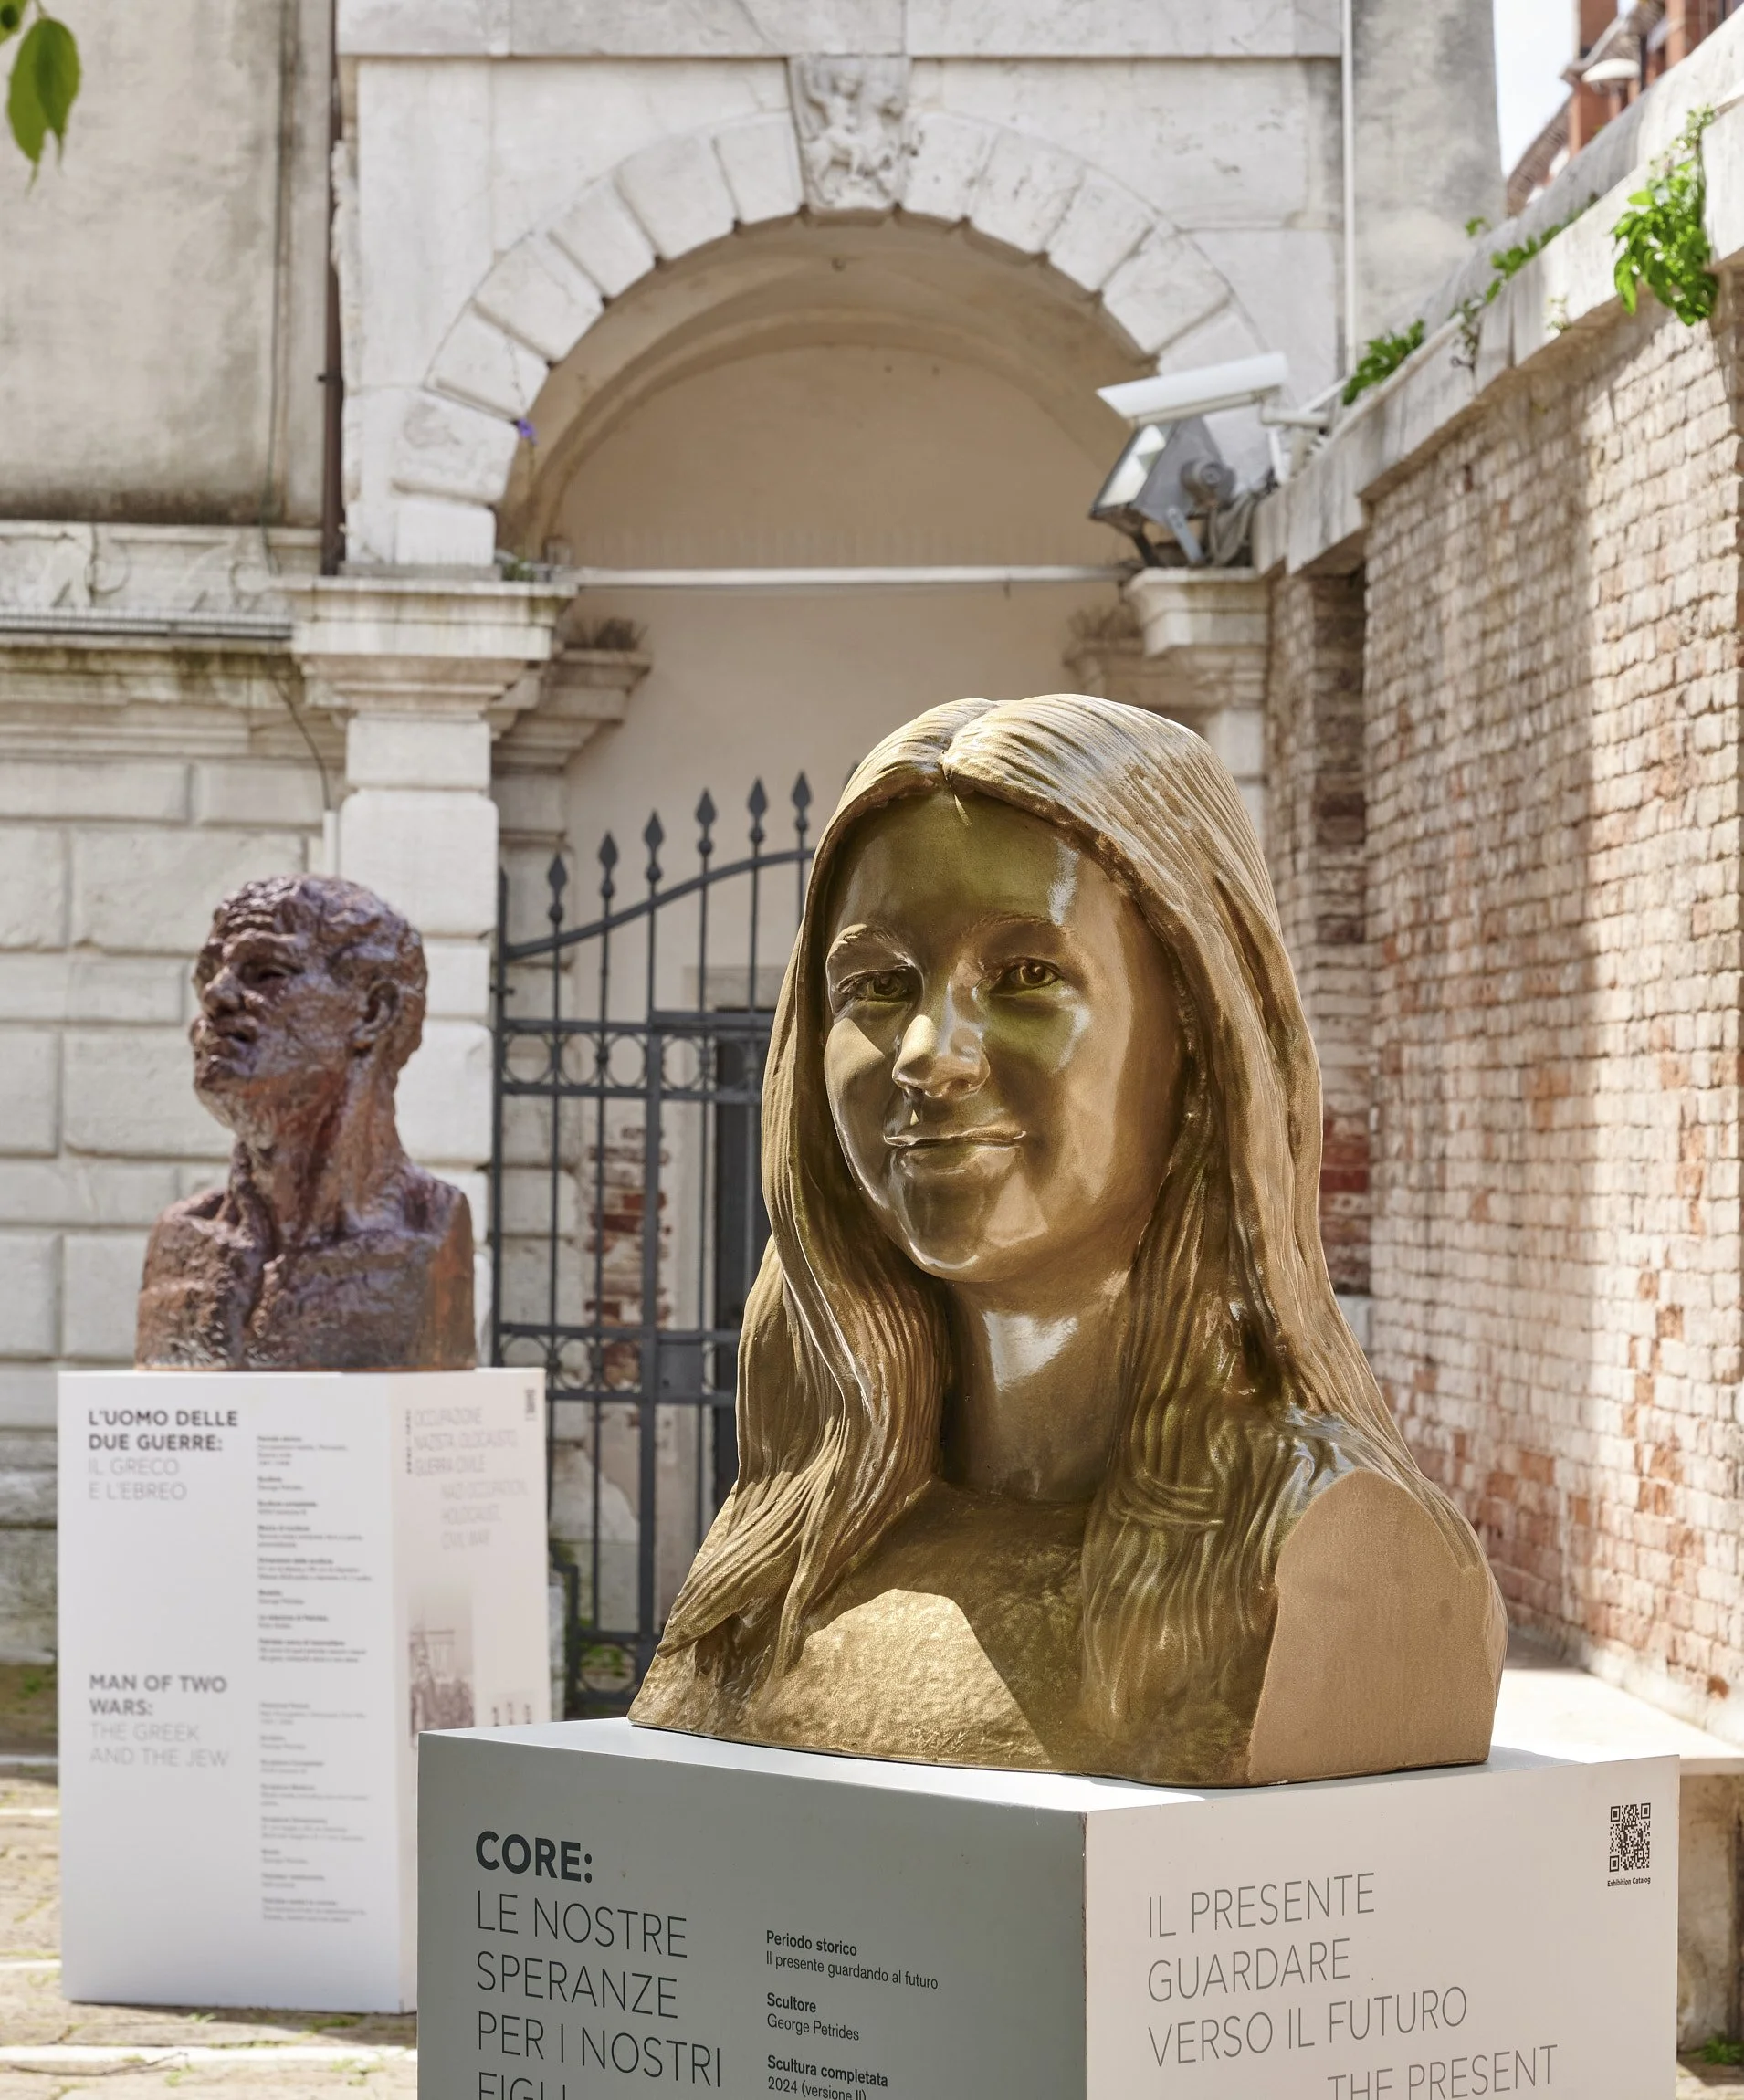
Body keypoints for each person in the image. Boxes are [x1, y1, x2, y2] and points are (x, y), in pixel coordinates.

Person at [632, 695, 1505, 1785]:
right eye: (876, 984)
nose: (926, 1052)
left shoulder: (1327, 1553)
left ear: (1196, 1033)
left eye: (1025, 976)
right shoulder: (774, 1556)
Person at [135, 874, 475, 1372]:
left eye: (267, 971)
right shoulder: (183, 1239)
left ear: (372, 1013)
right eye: (209, 973)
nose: (216, 996)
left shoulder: (427, 1234)